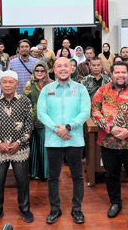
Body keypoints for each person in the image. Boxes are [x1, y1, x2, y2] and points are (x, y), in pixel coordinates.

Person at [91, 61, 128, 228]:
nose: (121, 75)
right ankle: (115, 203)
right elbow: (95, 111)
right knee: (111, 175)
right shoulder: (101, 91)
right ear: (111, 74)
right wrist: (110, 128)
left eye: (123, 72)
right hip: (109, 143)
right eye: (117, 72)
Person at [37, 57, 91, 225]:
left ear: (72, 69)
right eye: (59, 66)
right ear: (53, 70)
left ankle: (77, 209)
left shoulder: (81, 89)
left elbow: (85, 113)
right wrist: (57, 129)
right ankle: (55, 209)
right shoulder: (46, 90)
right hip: (53, 141)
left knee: (77, 176)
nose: (62, 69)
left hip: (74, 139)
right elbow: (41, 114)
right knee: (53, 177)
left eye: (65, 66)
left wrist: (67, 127)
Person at [0, 70, 34, 225]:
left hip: (20, 149)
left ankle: (25, 208)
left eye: (11, 82)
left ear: (17, 84)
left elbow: (29, 125)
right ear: (0, 84)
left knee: (22, 181)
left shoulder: (25, 101)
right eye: (4, 82)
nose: (7, 85)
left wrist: (19, 142)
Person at [24, 61, 53, 180]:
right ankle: (35, 173)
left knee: (47, 147)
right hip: (34, 119)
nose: (40, 73)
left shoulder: (52, 84)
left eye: (42, 70)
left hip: (49, 119)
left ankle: (47, 173)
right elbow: (25, 100)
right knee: (35, 147)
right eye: (37, 70)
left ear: (46, 71)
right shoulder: (30, 84)